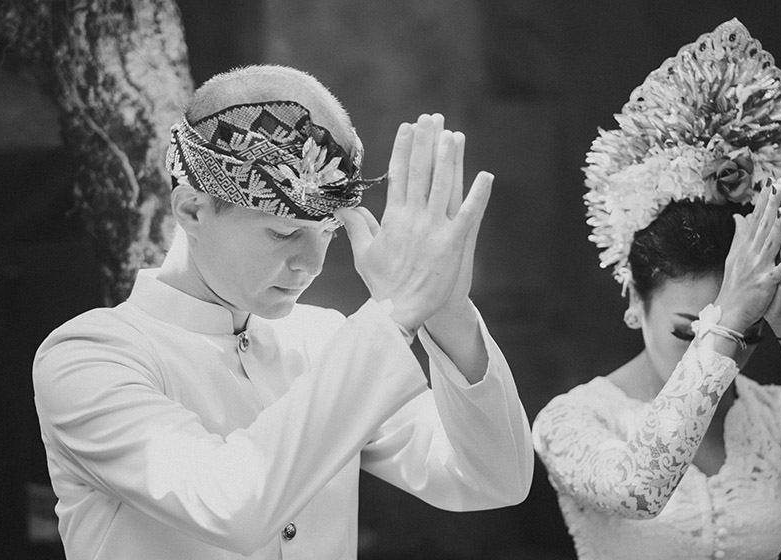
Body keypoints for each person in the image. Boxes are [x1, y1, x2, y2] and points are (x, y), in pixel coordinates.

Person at [33, 65, 534, 560]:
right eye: (284, 232)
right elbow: (231, 507)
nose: (311, 264)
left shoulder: (327, 341)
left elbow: (493, 479)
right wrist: (396, 310)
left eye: (327, 232)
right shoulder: (88, 358)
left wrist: (443, 308)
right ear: (190, 210)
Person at [532, 19, 781, 560]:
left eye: (744, 333)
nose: (726, 351)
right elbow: (640, 491)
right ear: (635, 302)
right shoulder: (572, 419)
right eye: (693, 331)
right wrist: (727, 319)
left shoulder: (775, 415)